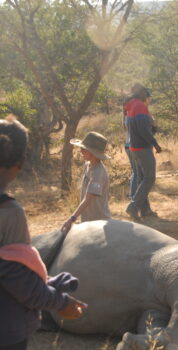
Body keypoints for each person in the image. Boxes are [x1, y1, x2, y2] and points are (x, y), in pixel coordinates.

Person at [0, 116, 86, 350]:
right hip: (7, 329)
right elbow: (14, 277)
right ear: (21, 162)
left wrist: (47, 282)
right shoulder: (9, 213)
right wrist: (59, 302)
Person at [61, 131, 111, 234]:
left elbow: (88, 199)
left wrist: (72, 218)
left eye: (83, 149)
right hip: (88, 220)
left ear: (92, 152)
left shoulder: (98, 172)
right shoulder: (88, 165)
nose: (80, 151)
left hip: (99, 222)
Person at [124, 83, 162, 220]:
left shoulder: (131, 105)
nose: (147, 97)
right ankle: (133, 207)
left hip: (134, 147)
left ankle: (144, 210)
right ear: (141, 94)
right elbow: (144, 130)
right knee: (149, 178)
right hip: (142, 148)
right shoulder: (139, 106)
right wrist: (155, 144)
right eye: (146, 94)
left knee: (141, 179)